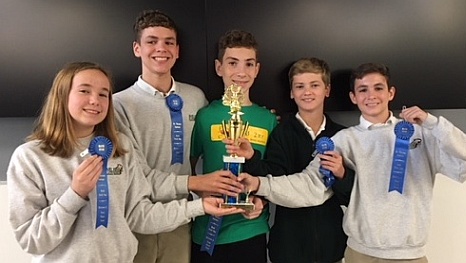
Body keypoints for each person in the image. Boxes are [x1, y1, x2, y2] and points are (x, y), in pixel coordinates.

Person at [239, 62, 466, 263]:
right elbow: (308, 185)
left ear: (391, 93)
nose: (371, 96)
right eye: (363, 90)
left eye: (378, 88)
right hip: (360, 254)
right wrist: (259, 183)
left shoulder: (421, 133)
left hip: (409, 255)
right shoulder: (343, 140)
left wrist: (434, 123)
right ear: (353, 97)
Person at [6, 62, 244, 263]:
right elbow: (32, 240)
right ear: (62, 95)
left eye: (103, 94)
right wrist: (75, 195)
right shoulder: (30, 158)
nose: (95, 101)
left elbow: (139, 215)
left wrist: (200, 207)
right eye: (84, 91)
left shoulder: (120, 148)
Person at [113, 10, 244, 263]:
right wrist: (197, 183)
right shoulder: (118, 105)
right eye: (151, 41)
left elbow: (210, 144)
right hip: (136, 220)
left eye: (168, 42)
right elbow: (136, 176)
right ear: (137, 48)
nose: (161, 49)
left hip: (182, 218)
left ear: (177, 50)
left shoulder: (195, 97)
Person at [225, 57, 354, 263]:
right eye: (300, 86)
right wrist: (251, 157)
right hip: (288, 244)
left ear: (327, 90)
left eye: (314, 85)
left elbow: (350, 196)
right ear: (292, 93)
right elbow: (273, 178)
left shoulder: (342, 136)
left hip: (332, 244)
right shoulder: (280, 132)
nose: (307, 92)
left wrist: (341, 174)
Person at [190, 29, 278, 263]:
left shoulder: (268, 120)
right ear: (219, 68)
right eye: (232, 63)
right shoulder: (204, 116)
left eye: (249, 64)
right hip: (208, 228)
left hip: (250, 229)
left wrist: (262, 200)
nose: (241, 72)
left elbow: (274, 172)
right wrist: (200, 190)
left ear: (257, 70)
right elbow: (186, 168)